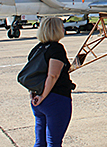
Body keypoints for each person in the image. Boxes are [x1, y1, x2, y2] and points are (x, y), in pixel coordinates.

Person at [28, 17, 76, 147]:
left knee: (40, 141)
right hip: (55, 99)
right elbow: (53, 75)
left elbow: (32, 74)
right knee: (54, 142)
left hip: (37, 100)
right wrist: (43, 95)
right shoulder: (56, 49)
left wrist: (35, 95)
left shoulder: (37, 49)